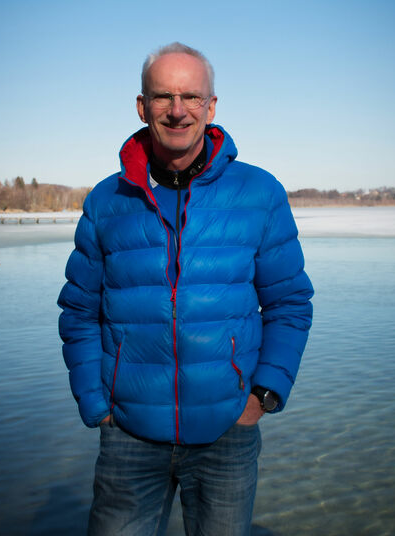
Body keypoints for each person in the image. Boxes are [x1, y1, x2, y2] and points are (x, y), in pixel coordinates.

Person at [58, 42, 314, 536]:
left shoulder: (258, 194)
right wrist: (97, 403)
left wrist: (261, 394)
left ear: (211, 106)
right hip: (128, 437)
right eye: (164, 97)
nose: (178, 111)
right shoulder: (108, 199)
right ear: (142, 106)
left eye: (192, 97)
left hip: (227, 434)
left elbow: (288, 303)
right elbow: (79, 312)